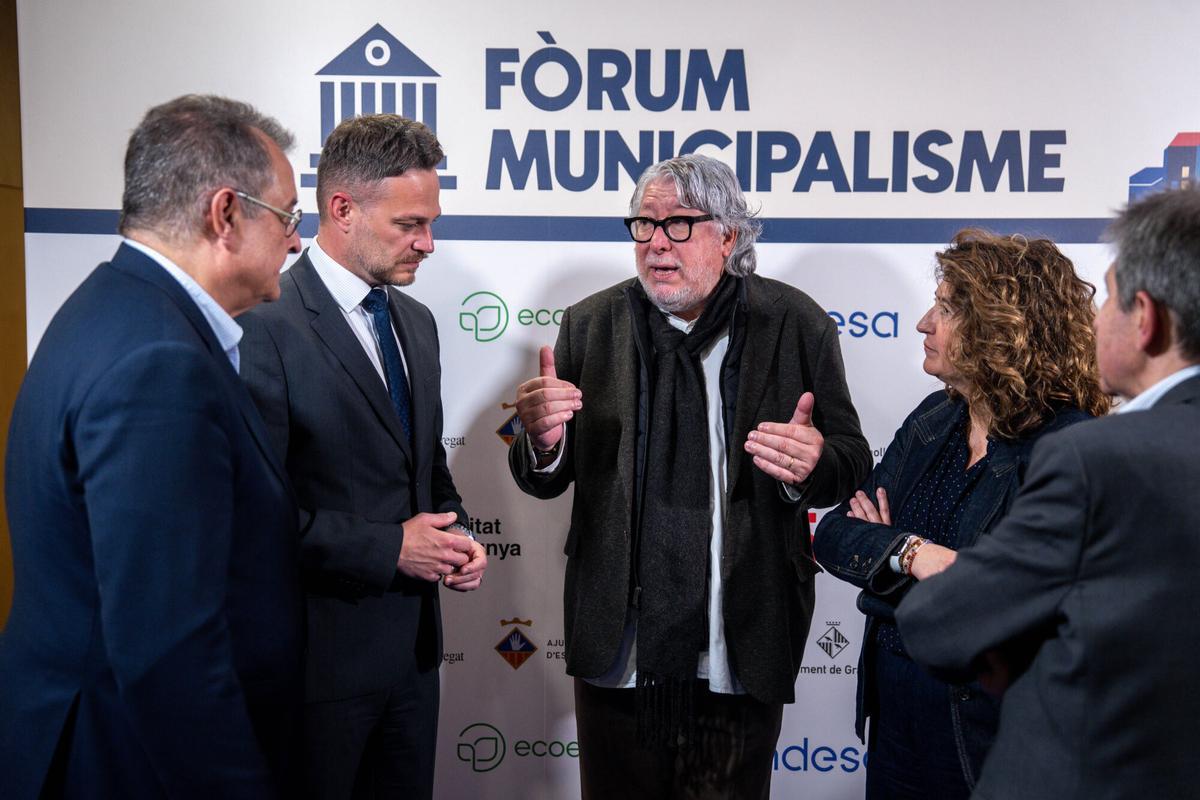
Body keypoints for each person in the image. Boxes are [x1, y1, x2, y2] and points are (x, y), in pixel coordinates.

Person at [508, 153, 870, 799]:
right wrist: (542, 441)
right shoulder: (591, 325)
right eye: (643, 226)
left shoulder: (794, 323)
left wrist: (812, 463)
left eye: (678, 225)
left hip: (743, 632)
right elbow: (544, 478)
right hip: (622, 642)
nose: (655, 245)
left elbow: (849, 460)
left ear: (728, 235)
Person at [0, 95, 303, 799]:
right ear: (224, 214)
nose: (295, 241)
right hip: (126, 763)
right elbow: (168, 649)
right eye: (288, 217)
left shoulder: (111, 307)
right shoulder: (157, 362)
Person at [895, 190, 1200, 799]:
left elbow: (939, 621)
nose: (1092, 318)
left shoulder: (1096, 457)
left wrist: (917, 560)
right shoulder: (937, 422)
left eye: (1109, 297)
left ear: (1146, 318)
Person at [238, 113, 486, 800]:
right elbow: (251, 517)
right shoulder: (262, 323)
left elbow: (425, 465)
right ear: (342, 209)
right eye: (410, 224)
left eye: (431, 222)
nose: (429, 243)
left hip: (412, 665)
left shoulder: (417, 322)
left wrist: (454, 529)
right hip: (311, 673)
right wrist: (390, 549)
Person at [813, 230, 1109, 798]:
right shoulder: (934, 418)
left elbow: (1008, 604)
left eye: (947, 308)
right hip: (896, 713)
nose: (925, 323)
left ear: (1004, 328)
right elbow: (834, 534)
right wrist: (912, 552)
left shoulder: (1067, 444)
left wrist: (891, 567)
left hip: (990, 723)